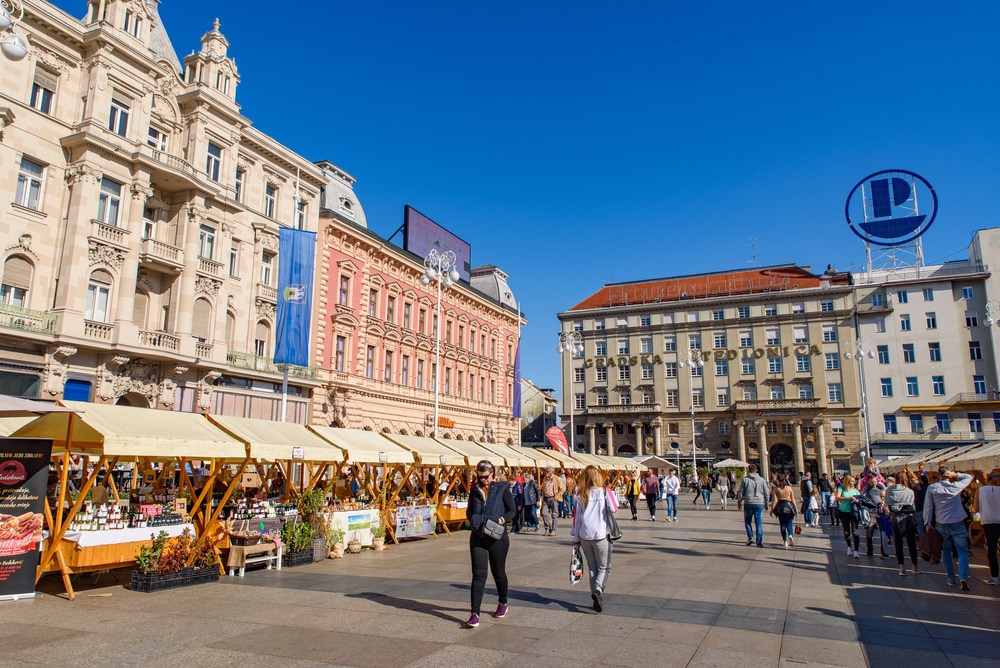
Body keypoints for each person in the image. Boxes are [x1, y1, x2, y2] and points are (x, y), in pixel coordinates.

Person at [465, 460, 516, 628]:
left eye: (486, 477)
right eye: (480, 477)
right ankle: (474, 613)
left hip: (497, 536)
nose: (483, 480)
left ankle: (503, 602)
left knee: (498, 572)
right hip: (478, 536)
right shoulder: (475, 490)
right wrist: (474, 522)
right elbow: (469, 511)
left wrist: (501, 519)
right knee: (478, 575)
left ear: (492, 474)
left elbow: (512, 510)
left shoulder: (502, 489)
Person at [571, 465, 618, 613]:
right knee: (604, 567)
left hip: (585, 535)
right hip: (601, 535)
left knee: (593, 567)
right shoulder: (604, 492)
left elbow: (577, 518)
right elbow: (615, 507)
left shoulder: (580, 494)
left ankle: (595, 598)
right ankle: (598, 590)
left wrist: (576, 536)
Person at [924, 466, 974, 590]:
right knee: (962, 550)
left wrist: (928, 523)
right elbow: (970, 476)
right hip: (957, 521)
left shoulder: (932, 488)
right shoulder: (956, 486)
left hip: (941, 522)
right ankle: (963, 576)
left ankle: (950, 578)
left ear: (938, 475)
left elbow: (928, 507)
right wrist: (955, 474)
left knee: (946, 551)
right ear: (948, 475)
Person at [885, 475, 920, 576]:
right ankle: (915, 565)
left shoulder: (889, 491)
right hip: (908, 517)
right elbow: (913, 504)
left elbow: (887, 503)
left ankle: (902, 567)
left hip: (895, 517)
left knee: (898, 543)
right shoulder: (909, 491)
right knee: (911, 543)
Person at [974, 470, 1000, 586]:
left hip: (988, 521)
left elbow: (975, 509)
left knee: (991, 549)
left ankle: (994, 576)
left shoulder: (980, 490)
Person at [737, 464, 769, 547]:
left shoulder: (745, 480)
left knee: (748, 521)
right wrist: (767, 503)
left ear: (748, 470)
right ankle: (759, 541)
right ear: (756, 470)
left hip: (748, 502)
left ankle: (750, 537)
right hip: (759, 503)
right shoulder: (762, 480)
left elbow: (741, 492)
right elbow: (766, 492)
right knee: (759, 523)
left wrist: (739, 502)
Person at [861, 473, 889, 559]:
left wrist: (878, 481)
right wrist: (866, 483)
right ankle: (870, 550)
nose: (874, 483)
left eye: (875, 482)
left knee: (883, 533)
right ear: (868, 482)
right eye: (871, 482)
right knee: (870, 532)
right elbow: (862, 494)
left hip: (881, 511)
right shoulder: (867, 489)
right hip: (872, 512)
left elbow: (884, 488)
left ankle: (883, 551)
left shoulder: (879, 488)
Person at [836, 475, 861, 559]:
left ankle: (856, 551)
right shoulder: (841, 488)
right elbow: (837, 498)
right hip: (844, 512)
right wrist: (848, 498)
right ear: (847, 481)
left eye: (854, 481)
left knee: (855, 531)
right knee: (846, 531)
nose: (854, 483)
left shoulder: (856, 491)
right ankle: (849, 547)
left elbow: (860, 500)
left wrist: (857, 501)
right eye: (852, 481)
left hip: (854, 513)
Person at [770, 473, 798, 548]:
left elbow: (774, 501)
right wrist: (796, 509)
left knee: (782, 524)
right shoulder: (789, 488)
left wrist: (771, 510)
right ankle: (790, 535)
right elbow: (793, 499)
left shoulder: (776, 489)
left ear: (778, 480)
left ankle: (785, 541)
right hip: (788, 505)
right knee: (789, 523)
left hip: (780, 506)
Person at [540, 466, 566, 536]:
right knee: (544, 513)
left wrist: (556, 497)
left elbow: (562, 489)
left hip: (553, 498)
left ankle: (553, 531)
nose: (546, 473)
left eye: (547, 471)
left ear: (552, 472)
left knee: (554, 515)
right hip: (546, 498)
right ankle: (547, 528)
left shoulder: (557, 479)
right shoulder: (545, 478)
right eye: (546, 471)